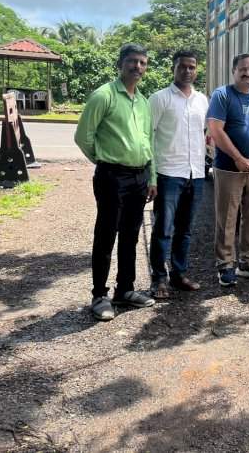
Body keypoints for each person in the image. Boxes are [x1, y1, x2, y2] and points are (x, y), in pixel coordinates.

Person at [74, 43, 156, 321]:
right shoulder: (104, 95)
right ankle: (99, 295)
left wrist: (151, 177)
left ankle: (125, 290)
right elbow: (83, 136)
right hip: (112, 176)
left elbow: (149, 142)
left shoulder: (143, 101)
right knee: (106, 234)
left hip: (139, 176)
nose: (138, 67)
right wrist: (103, 161)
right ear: (120, 64)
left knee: (131, 236)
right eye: (132, 61)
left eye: (142, 62)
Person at [207, 53, 249, 287]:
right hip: (229, 168)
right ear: (234, 71)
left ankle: (248, 263)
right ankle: (225, 265)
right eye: (243, 69)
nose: (247, 73)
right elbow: (215, 129)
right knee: (227, 218)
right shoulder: (222, 95)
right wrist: (236, 157)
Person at [147, 50, 208, 298]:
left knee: (186, 229)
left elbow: (205, 133)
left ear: (197, 70)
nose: (187, 71)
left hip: (196, 174)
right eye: (182, 66)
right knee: (163, 229)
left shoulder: (203, 100)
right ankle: (158, 279)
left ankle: (179, 275)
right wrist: (151, 177)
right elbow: (148, 137)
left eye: (192, 67)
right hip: (168, 174)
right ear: (173, 68)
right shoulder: (159, 99)